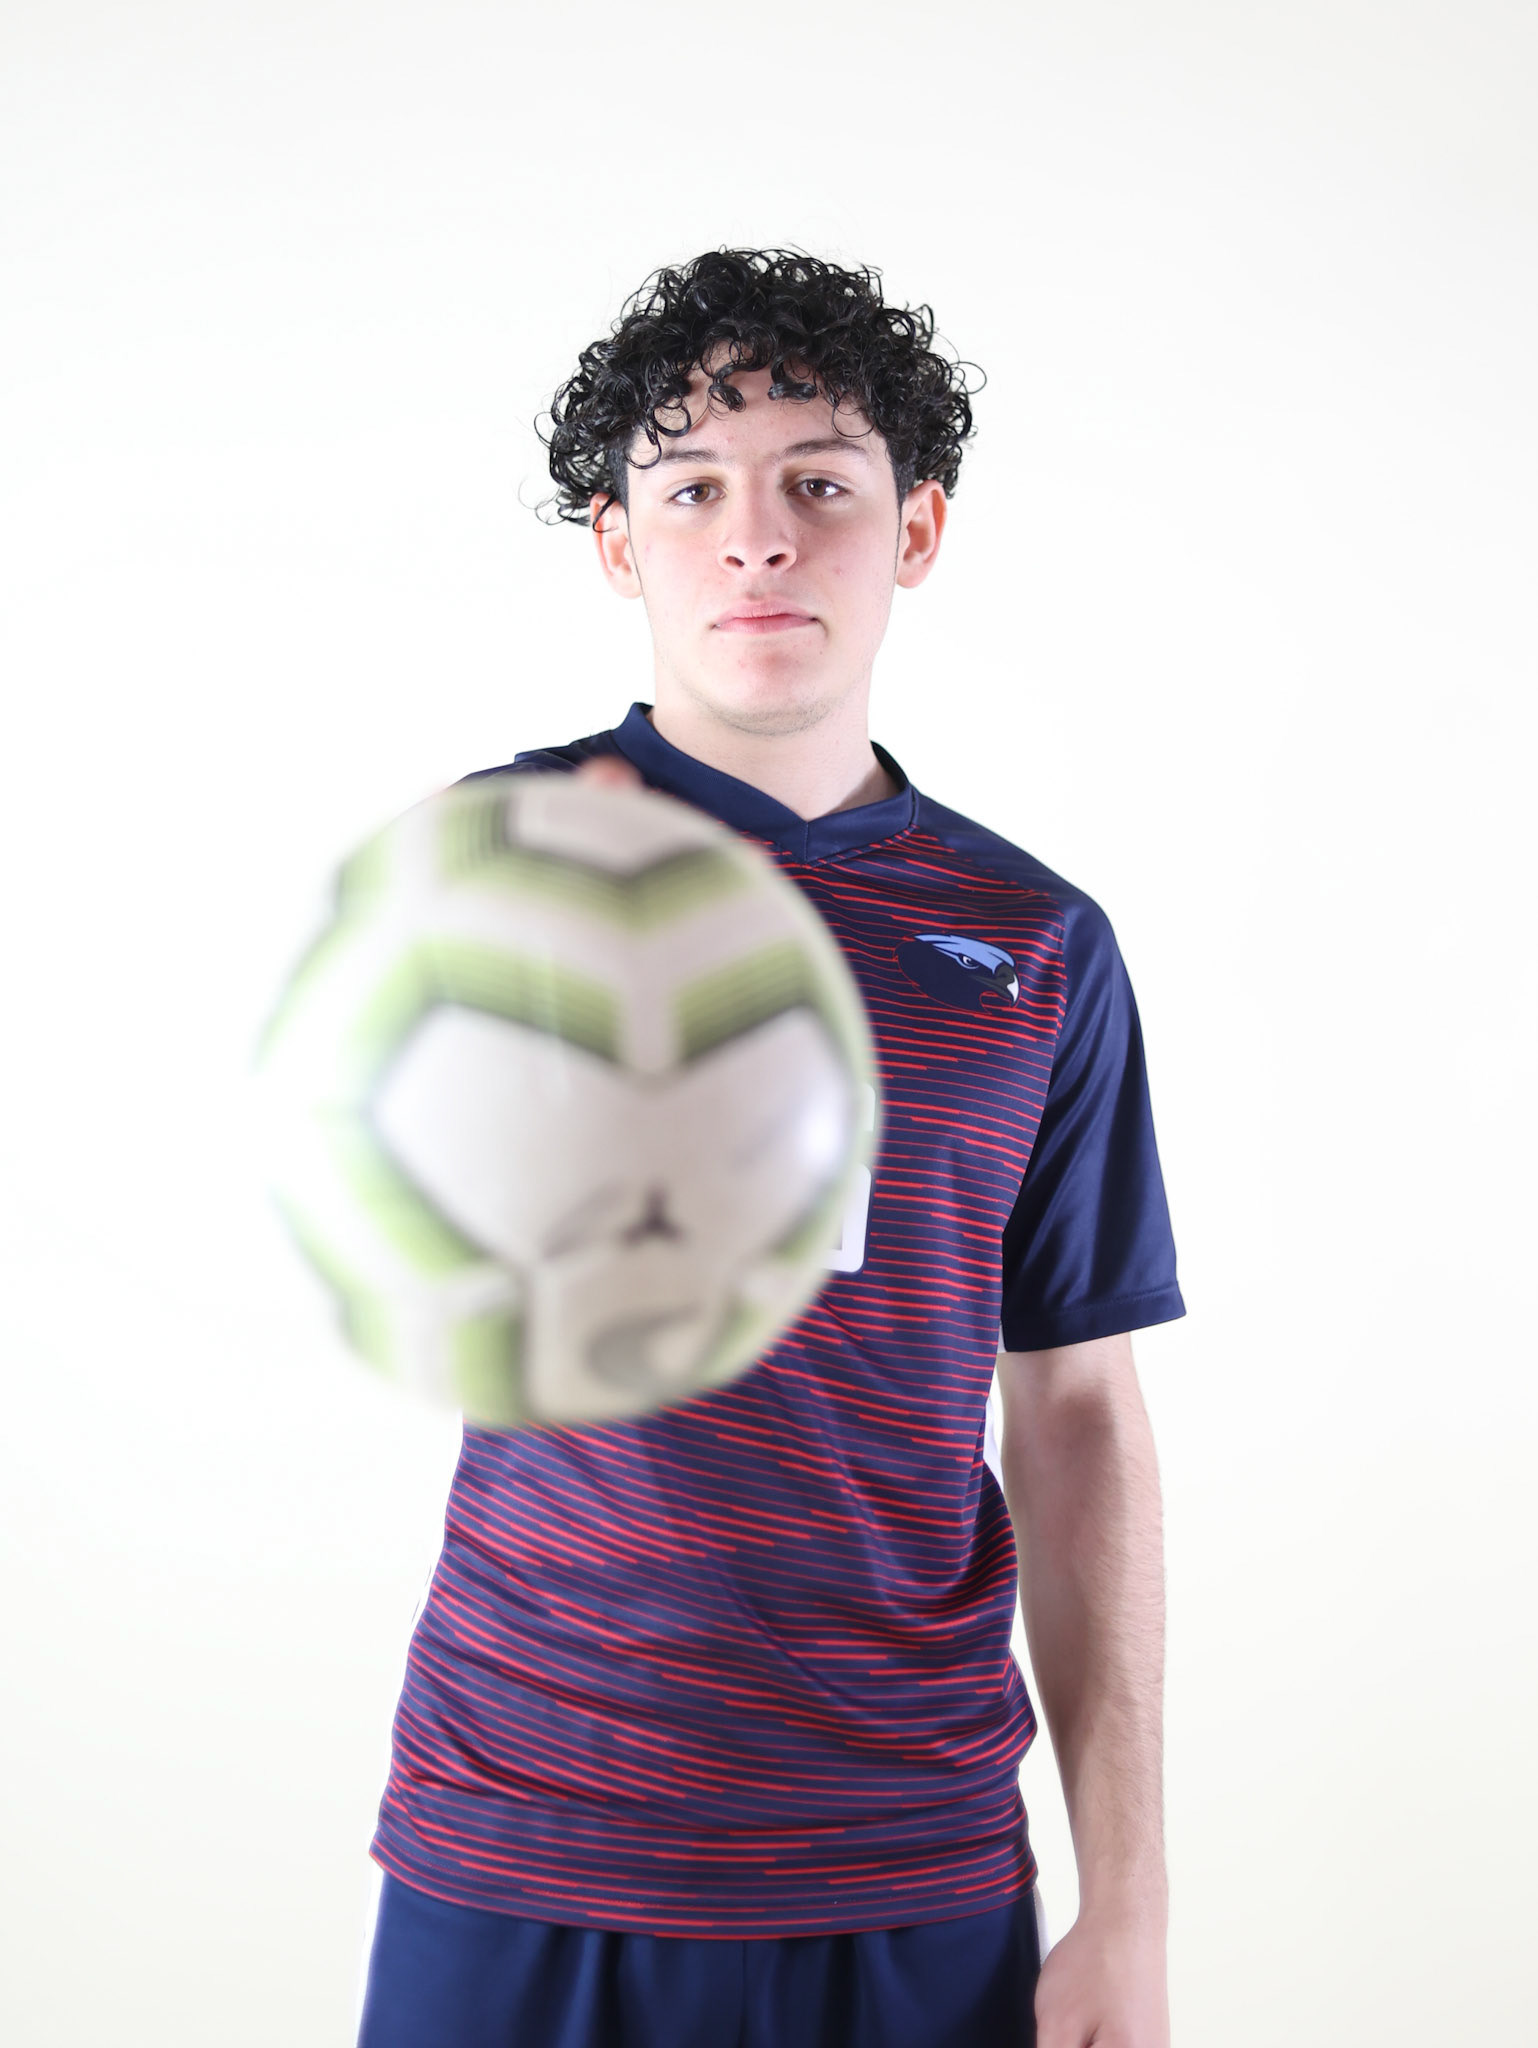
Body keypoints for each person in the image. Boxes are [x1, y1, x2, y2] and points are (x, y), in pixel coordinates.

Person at [355, 247, 1184, 2048]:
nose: (757, 538)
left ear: (918, 530)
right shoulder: (501, 862)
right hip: (526, 1824)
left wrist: (1129, 1902)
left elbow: (1076, 1412)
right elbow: (361, 1218)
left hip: (907, 1852)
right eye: (692, 490)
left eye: (819, 482)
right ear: (616, 541)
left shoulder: (1029, 942)